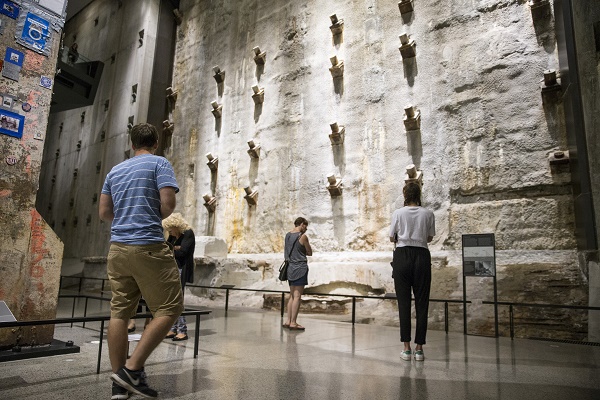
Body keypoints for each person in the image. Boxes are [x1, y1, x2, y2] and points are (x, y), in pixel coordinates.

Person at [99, 123, 184, 399]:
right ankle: (132, 370)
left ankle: (118, 385)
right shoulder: (159, 164)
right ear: (155, 143)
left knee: (119, 313)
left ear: (132, 143)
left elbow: (104, 212)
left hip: (117, 250)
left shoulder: (115, 171)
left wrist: (125, 217)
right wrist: (146, 214)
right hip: (147, 245)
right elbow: (168, 205)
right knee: (170, 308)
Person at [389, 182, 435, 362]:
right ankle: (420, 349)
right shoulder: (428, 213)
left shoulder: (398, 213)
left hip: (402, 255)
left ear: (405, 195)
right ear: (419, 194)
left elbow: (392, 236)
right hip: (422, 256)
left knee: (404, 303)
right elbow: (430, 237)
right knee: (422, 303)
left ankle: (406, 348)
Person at [162, 213, 196, 341]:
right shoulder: (173, 235)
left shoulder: (188, 233)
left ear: (176, 226)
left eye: (171, 229)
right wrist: (174, 248)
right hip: (173, 269)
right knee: (172, 299)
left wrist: (174, 249)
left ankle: (182, 330)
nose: (169, 232)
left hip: (182, 269)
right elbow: (166, 248)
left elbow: (183, 252)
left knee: (178, 300)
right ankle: (172, 328)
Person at [282, 217, 312, 331]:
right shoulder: (302, 236)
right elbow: (309, 252)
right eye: (305, 225)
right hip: (300, 268)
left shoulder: (288, 235)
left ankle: (288, 320)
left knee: (292, 295)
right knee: (297, 296)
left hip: (290, 268)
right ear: (301, 224)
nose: (306, 228)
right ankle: (293, 322)